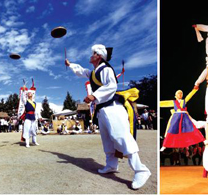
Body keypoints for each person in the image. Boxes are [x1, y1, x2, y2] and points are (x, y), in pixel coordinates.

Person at [65, 44, 151, 189]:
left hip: (113, 108)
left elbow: (112, 85)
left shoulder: (105, 69)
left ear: (98, 56)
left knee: (121, 137)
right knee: (107, 140)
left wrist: (94, 95)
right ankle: (111, 165)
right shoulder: (93, 72)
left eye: (93, 53)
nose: (91, 55)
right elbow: (81, 71)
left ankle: (141, 170)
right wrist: (70, 64)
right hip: (103, 110)